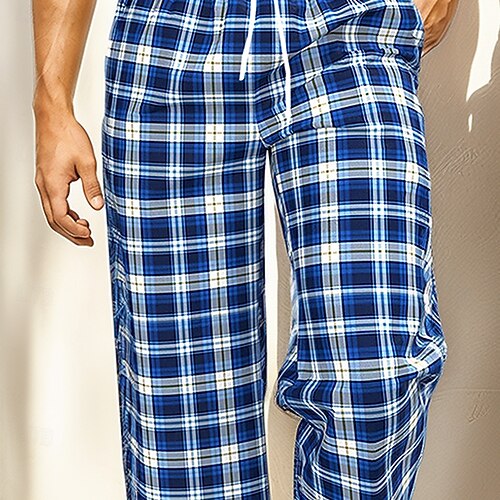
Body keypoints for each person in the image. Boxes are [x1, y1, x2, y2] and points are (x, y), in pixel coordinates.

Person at [31, 0, 458, 498]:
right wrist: (52, 101)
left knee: (375, 371)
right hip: (171, 40)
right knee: (185, 413)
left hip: (351, 34)